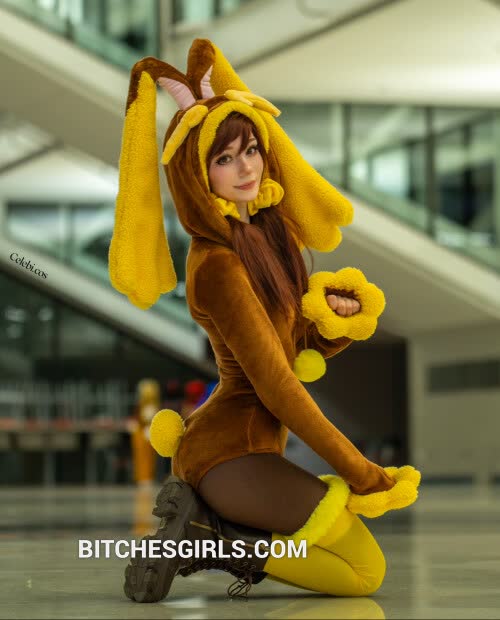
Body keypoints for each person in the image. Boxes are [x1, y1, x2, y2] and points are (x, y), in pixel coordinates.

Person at [109, 39, 420, 604]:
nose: (246, 166)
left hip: (250, 451)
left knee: (358, 567)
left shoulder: (266, 238)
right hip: (226, 456)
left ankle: (212, 534)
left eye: (250, 148)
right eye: (224, 158)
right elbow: (277, 386)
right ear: (197, 175)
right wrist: (361, 471)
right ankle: (210, 536)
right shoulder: (217, 265)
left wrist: (333, 322)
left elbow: (294, 350)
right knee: (364, 573)